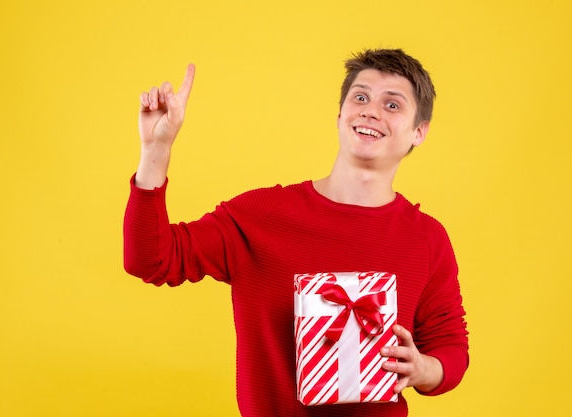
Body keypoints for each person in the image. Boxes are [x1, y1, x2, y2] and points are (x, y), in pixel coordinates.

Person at [124, 49, 469, 417]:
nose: (371, 111)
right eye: (361, 97)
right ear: (340, 116)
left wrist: (421, 368)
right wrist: (155, 150)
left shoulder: (427, 239)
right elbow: (151, 260)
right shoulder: (260, 217)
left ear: (419, 132)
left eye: (393, 105)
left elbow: (450, 349)